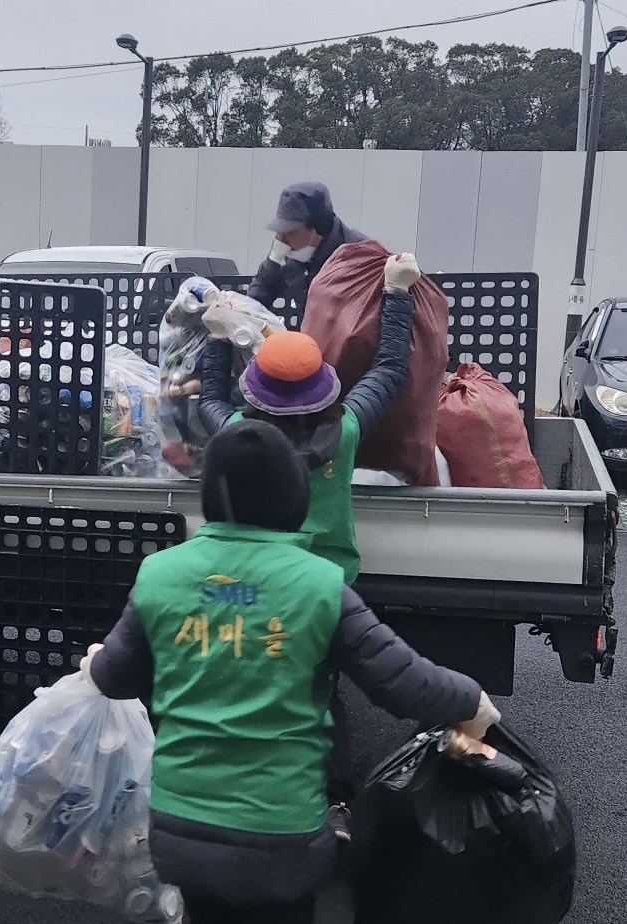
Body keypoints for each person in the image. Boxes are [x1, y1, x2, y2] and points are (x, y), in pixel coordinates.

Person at [79, 420, 500, 924]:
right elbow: (404, 684)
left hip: (179, 832)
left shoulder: (160, 573)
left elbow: (113, 678)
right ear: (292, 495)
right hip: (284, 839)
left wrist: (97, 659)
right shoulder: (320, 584)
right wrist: (471, 701)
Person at [199, 253, 423, 820]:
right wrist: (397, 294)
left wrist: (221, 337)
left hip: (247, 584)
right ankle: (333, 801)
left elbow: (206, 401)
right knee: (318, 695)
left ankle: (237, 790)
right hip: (325, 590)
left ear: (256, 396)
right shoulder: (344, 432)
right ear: (324, 391)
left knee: (246, 683)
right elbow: (391, 370)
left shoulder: (236, 434)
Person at [247, 181, 367, 315]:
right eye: (280, 231)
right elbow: (263, 288)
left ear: (319, 228)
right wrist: (241, 317)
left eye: (290, 231)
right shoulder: (290, 250)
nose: (282, 239)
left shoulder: (359, 256)